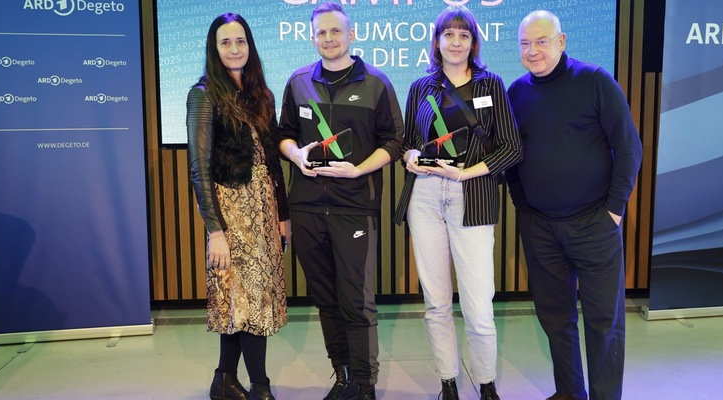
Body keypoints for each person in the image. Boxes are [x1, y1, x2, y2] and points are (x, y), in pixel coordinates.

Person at [505, 10, 643, 400]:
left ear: (562, 41)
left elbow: (629, 146)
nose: (533, 51)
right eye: (525, 44)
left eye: (542, 41)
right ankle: (569, 393)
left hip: (594, 223)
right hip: (540, 228)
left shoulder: (595, 80)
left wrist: (614, 210)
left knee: (604, 321)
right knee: (554, 318)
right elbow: (511, 157)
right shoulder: (515, 93)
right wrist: (524, 207)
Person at [392, 5, 522, 400]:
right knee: (436, 301)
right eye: (448, 34)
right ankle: (447, 381)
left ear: (473, 42)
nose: (456, 41)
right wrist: (409, 157)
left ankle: (485, 383)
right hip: (426, 196)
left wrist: (465, 173)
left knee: (479, 302)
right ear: (437, 41)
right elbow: (409, 142)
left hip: (473, 194)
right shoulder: (420, 87)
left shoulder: (491, 84)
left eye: (463, 35)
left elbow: (512, 148)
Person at [276, 3, 403, 400]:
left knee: (356, 301)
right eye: (320, 33)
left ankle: (365, 384)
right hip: (308, 207)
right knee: (326, 299)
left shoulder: (378, 84)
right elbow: (283, 134)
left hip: (354, 207)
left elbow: (395, 142)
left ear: (351, 34)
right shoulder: (298, 82)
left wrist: (360, 169)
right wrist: (295, 155)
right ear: (312, 37)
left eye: (335, 32)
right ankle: (343, 375)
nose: (328, 39)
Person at [186, 12, 290, 400]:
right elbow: (198, 168)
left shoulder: (260, 93)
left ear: (250, 45)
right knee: (245, 298)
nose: (234, 49)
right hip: (229, 211)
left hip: (263, 208)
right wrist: (216, 232)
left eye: (240, 41)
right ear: (214, 49)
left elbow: (273, 160)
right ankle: (259, 385)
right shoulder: (203, 94)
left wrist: (282, 215)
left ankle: (224, 380)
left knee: (243, 299)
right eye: (225, 42)